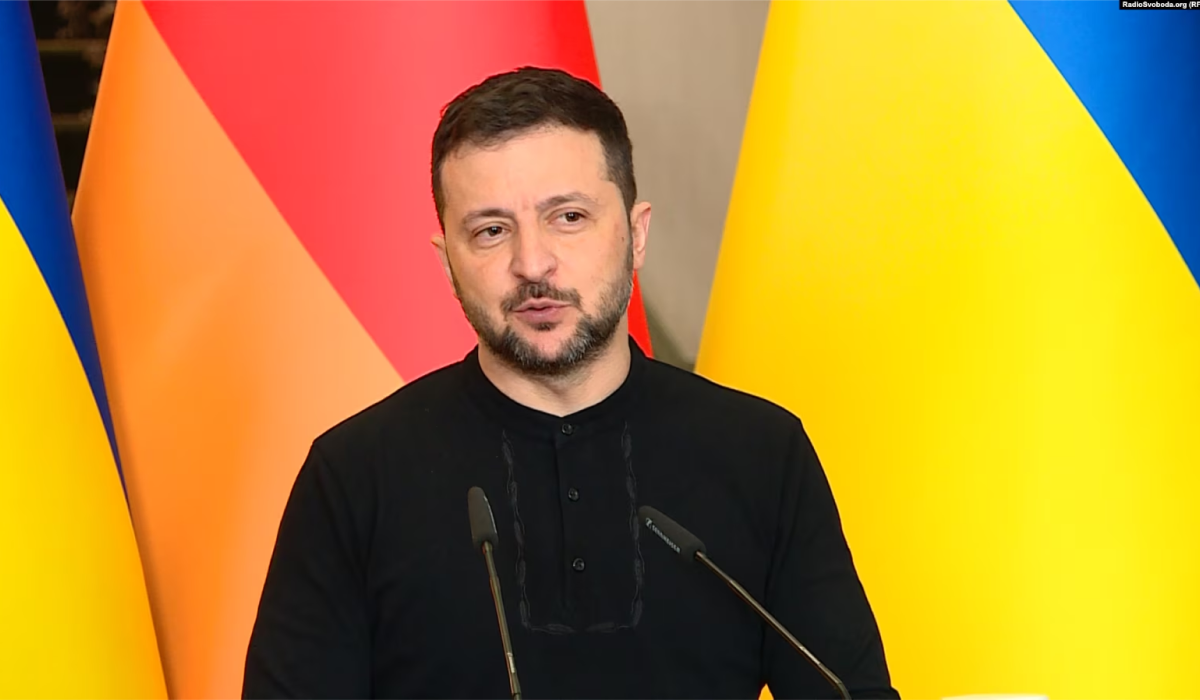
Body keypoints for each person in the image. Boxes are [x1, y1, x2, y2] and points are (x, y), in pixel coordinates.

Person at [243, 66, 900, 700]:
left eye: (569, 217)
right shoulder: (355, 475)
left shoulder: (762, 453)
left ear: (636, 235)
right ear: (448, 263)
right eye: (491, 231)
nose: (533, 264)